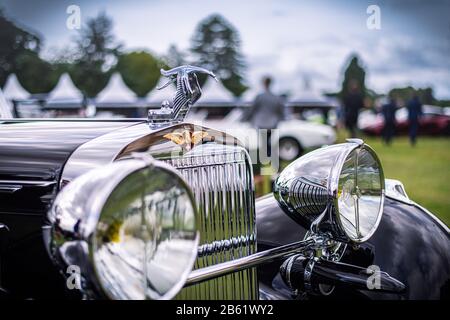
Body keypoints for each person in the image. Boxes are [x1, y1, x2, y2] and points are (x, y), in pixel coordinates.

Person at [247, 76, 285, 158]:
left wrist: (248, 119)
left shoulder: (259, 97)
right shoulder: (276, 97)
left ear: (264, 83)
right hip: (272, 123)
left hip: (261, 123)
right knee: (268, 141)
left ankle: (267, 157)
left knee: (264, 142)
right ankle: (269, 157)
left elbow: (252, 109)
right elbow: (281, 111)